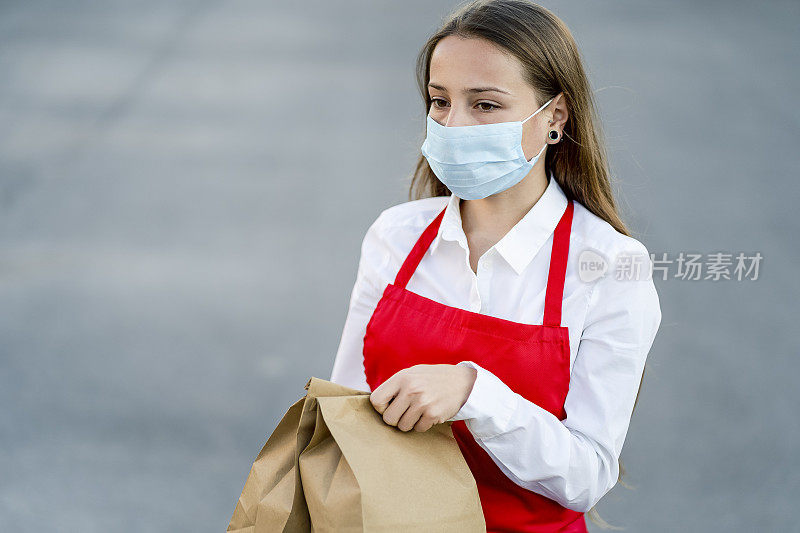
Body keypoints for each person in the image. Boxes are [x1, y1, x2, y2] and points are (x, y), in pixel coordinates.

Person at [330, 1, 662, 531]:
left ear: (554, 116)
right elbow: (344, 410)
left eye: (485, 105)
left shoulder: (611, 265)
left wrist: (473, 394)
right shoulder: (396, 236)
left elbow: (588, 475)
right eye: (440, 101)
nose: (454, 124)